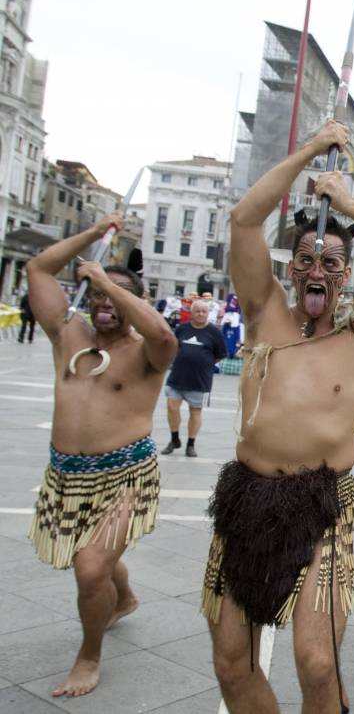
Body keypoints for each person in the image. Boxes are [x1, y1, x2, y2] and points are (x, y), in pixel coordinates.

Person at [202, 120, 354, 713]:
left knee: (317, 660)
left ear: (347, 274)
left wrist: (349, 202)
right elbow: (244, 220)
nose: (317, 272)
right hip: (246, 497)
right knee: (231, 662)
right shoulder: (263, 314)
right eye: (307, 259)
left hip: (322, 504)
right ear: (289, 267)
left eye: (333, 263)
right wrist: (307, 153)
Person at [23, 212, 177, 697]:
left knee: (90, 570)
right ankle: (124, 597)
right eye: (96, 295)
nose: (102, 301)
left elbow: (164, 336)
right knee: (98, 564)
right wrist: (93, 237)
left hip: (125, 478)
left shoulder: (146, 351)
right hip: (65, 478)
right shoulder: (68, 334)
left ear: (132, 303)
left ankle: (89, 655)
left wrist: (111, 285)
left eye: (115, 296)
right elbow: (36, 271)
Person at [161, 298, 227, 457]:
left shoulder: (215, 333)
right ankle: (174, 439)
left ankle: (191, 444)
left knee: (195, 411)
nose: (200, 314)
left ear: (208, 313)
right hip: (177, 376)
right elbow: (173, 347)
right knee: (171, 407)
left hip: (200, 380)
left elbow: (220, 355)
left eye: (204, 311)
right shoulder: (181, 329)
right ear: (191, 312)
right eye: (197, 311)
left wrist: (203, 362)